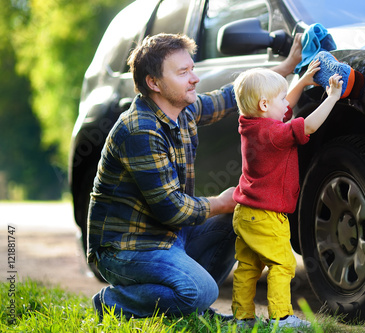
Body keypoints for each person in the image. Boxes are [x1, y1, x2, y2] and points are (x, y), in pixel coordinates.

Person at [87, 32, 303, 320]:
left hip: (168, 236)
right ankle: (115, 302)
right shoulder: (140, 130)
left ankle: (192, 307)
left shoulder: (182, 108)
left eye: (192, 69)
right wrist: (221, 201)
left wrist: (288, 67)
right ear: (154, 83)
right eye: (183, 72)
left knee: (237, 217)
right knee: (200, 290)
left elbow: (233, 95)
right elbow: (171, 208)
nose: (195, 78)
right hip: (125, 248)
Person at [231, 61, 343, 328]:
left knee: (247, 268)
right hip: (268, 217)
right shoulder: (274, 134)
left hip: (245, 213)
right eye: (281, 98)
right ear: (265, 106)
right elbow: (309, 126)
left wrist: (301, 82)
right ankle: (281, 318)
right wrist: (332, 98)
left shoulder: (250, 124)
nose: (287, 104)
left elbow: (282, 109)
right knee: (282, 264)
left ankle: (242, 318)